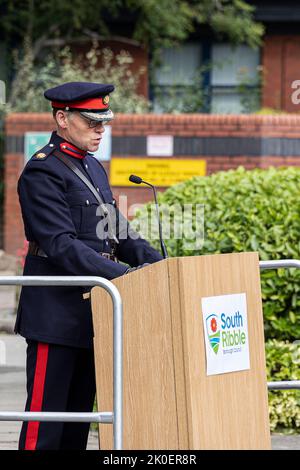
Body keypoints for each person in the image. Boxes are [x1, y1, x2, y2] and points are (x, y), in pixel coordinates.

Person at [15, 81, 163, 450]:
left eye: (103, 122)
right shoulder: (42, 172)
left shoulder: (92, 168)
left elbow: (116, 230)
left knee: (78, 426)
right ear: (62, 118)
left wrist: (161, 267)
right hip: (56, 316)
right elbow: (61, 245)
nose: (100, 130)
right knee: (45, 427)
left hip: (93, 313)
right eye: (92, 122)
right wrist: (125, 276)